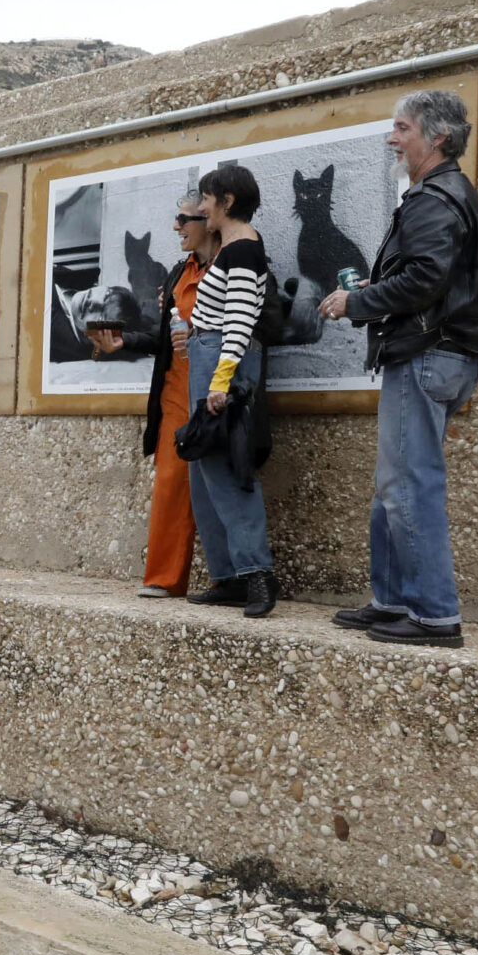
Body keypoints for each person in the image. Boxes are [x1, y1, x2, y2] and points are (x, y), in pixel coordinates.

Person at [321, 90, 478, 648]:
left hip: (426, 354)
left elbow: (424, 278)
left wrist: (358, 303)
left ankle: (434, 615)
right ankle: (393, 601)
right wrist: (377, 289)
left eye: (402, 128)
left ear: (436, 137)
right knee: (394, 485)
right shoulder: (448, 194)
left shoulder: (431, 198)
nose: (392, 138)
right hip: (442, 352)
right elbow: (432, 277)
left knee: (410, 486)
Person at [88, 191, 218, 598]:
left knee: (223, 485)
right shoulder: (179, 271)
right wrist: (121, 343)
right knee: (169, 482)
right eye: (176, 218)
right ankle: (163, 578)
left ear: (210, 221)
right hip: (177, 389)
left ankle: (235, 580)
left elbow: (262, 323)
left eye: (184, 219)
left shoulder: (238, 263)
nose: (175, 226)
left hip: (222, 386)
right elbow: (165, 337)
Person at [179, 162, 277, 617]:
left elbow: (237, 323)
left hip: (222, 362)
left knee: (228, 467)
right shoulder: (233, 248)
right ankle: (231, 578)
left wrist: (220, 384)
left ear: (228, 202)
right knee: (206, 469)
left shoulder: (242, 249)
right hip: (210, 355)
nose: (201, 208)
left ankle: (256, 576)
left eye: (207, 199)